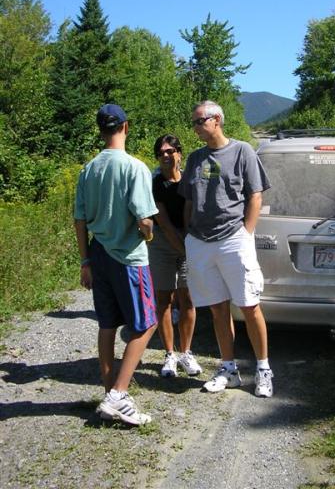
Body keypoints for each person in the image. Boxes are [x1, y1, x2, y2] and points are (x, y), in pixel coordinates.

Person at [179, 100, 274, 397]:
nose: (194, 126)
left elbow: (255, 195)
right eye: (193, 121)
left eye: (199, 121)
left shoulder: (242, 150)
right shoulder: (195, 159)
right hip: (201, 242)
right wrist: (187, 237)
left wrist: (247, 233)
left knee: (249, 306)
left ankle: (262, 369)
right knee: (218, 309)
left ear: (217, 120)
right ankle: (229, 369)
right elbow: (189, 202)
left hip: (234, 237)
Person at [74, 104, 159, 426]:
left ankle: (111, 391)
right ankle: (118, 394)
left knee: (107, 324)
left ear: (101, 129)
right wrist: (149, 233)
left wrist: (85, 261)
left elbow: (80, 219)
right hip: (128, 257)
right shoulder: (134, 167)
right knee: (146, 323)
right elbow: (144, 220)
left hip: (98, 255)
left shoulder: (88, 169)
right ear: (126, 126)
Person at [149, 134, 202, 378]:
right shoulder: (155, 182)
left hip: (188, 239)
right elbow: (164, 222)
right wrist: (186, 251)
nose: (166, 156)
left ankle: (186, 352)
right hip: (162, 242)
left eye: (170, 151)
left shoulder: (190, 180)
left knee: (188, 298)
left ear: (180, 153)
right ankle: (169, 354)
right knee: (164, 299)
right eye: (161, 153)